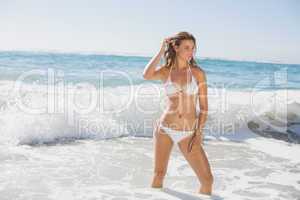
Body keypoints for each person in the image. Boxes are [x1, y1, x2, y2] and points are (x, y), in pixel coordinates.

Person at [143, 31, 213, 195]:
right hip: (165, 129)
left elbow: (204, 107)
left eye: (193, 48)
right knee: (159, 174)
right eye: (187, 47)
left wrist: (199, 133)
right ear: (176, 48)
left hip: (188, 133)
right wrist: (161, 50)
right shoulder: (165, 71)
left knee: (207, 180)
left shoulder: (197, 73)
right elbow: (146, 75)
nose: (191, 52)